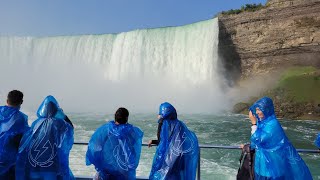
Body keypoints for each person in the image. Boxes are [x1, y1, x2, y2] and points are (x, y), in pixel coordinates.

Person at [248, 97, 312, 180]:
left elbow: (258, 139)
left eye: (259, 110)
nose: (257, 112)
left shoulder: (272, 124)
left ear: (266, 109)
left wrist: (253, 124)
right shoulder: (263, 123)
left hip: (273, 168)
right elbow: (256, 143)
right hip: (264, 167)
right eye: (256, 110)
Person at [15, 95, 74, 179]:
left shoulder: (36, 123)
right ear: (56, 111)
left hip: (33, 165)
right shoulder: (60, 123)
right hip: (51, 164)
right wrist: (63, 116)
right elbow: (70, 129)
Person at [86, 107, 143, 180]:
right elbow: (134, 149)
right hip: (124, 171)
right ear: (126, 118)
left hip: (107, 170)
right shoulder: (132, 131)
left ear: (115, 117)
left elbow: (95, 147)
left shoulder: (106, 129)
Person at [148, 102, 199, 180]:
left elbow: (162, 141)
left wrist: (160, 121)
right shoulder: (180, 125)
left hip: (171, 162)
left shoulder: (165, 124)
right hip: (180, 161)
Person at [0, 90, 29, 179]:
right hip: (10, 160)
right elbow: (23, 140)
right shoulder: (21, 118)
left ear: (7, 101)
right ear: (21, 102)